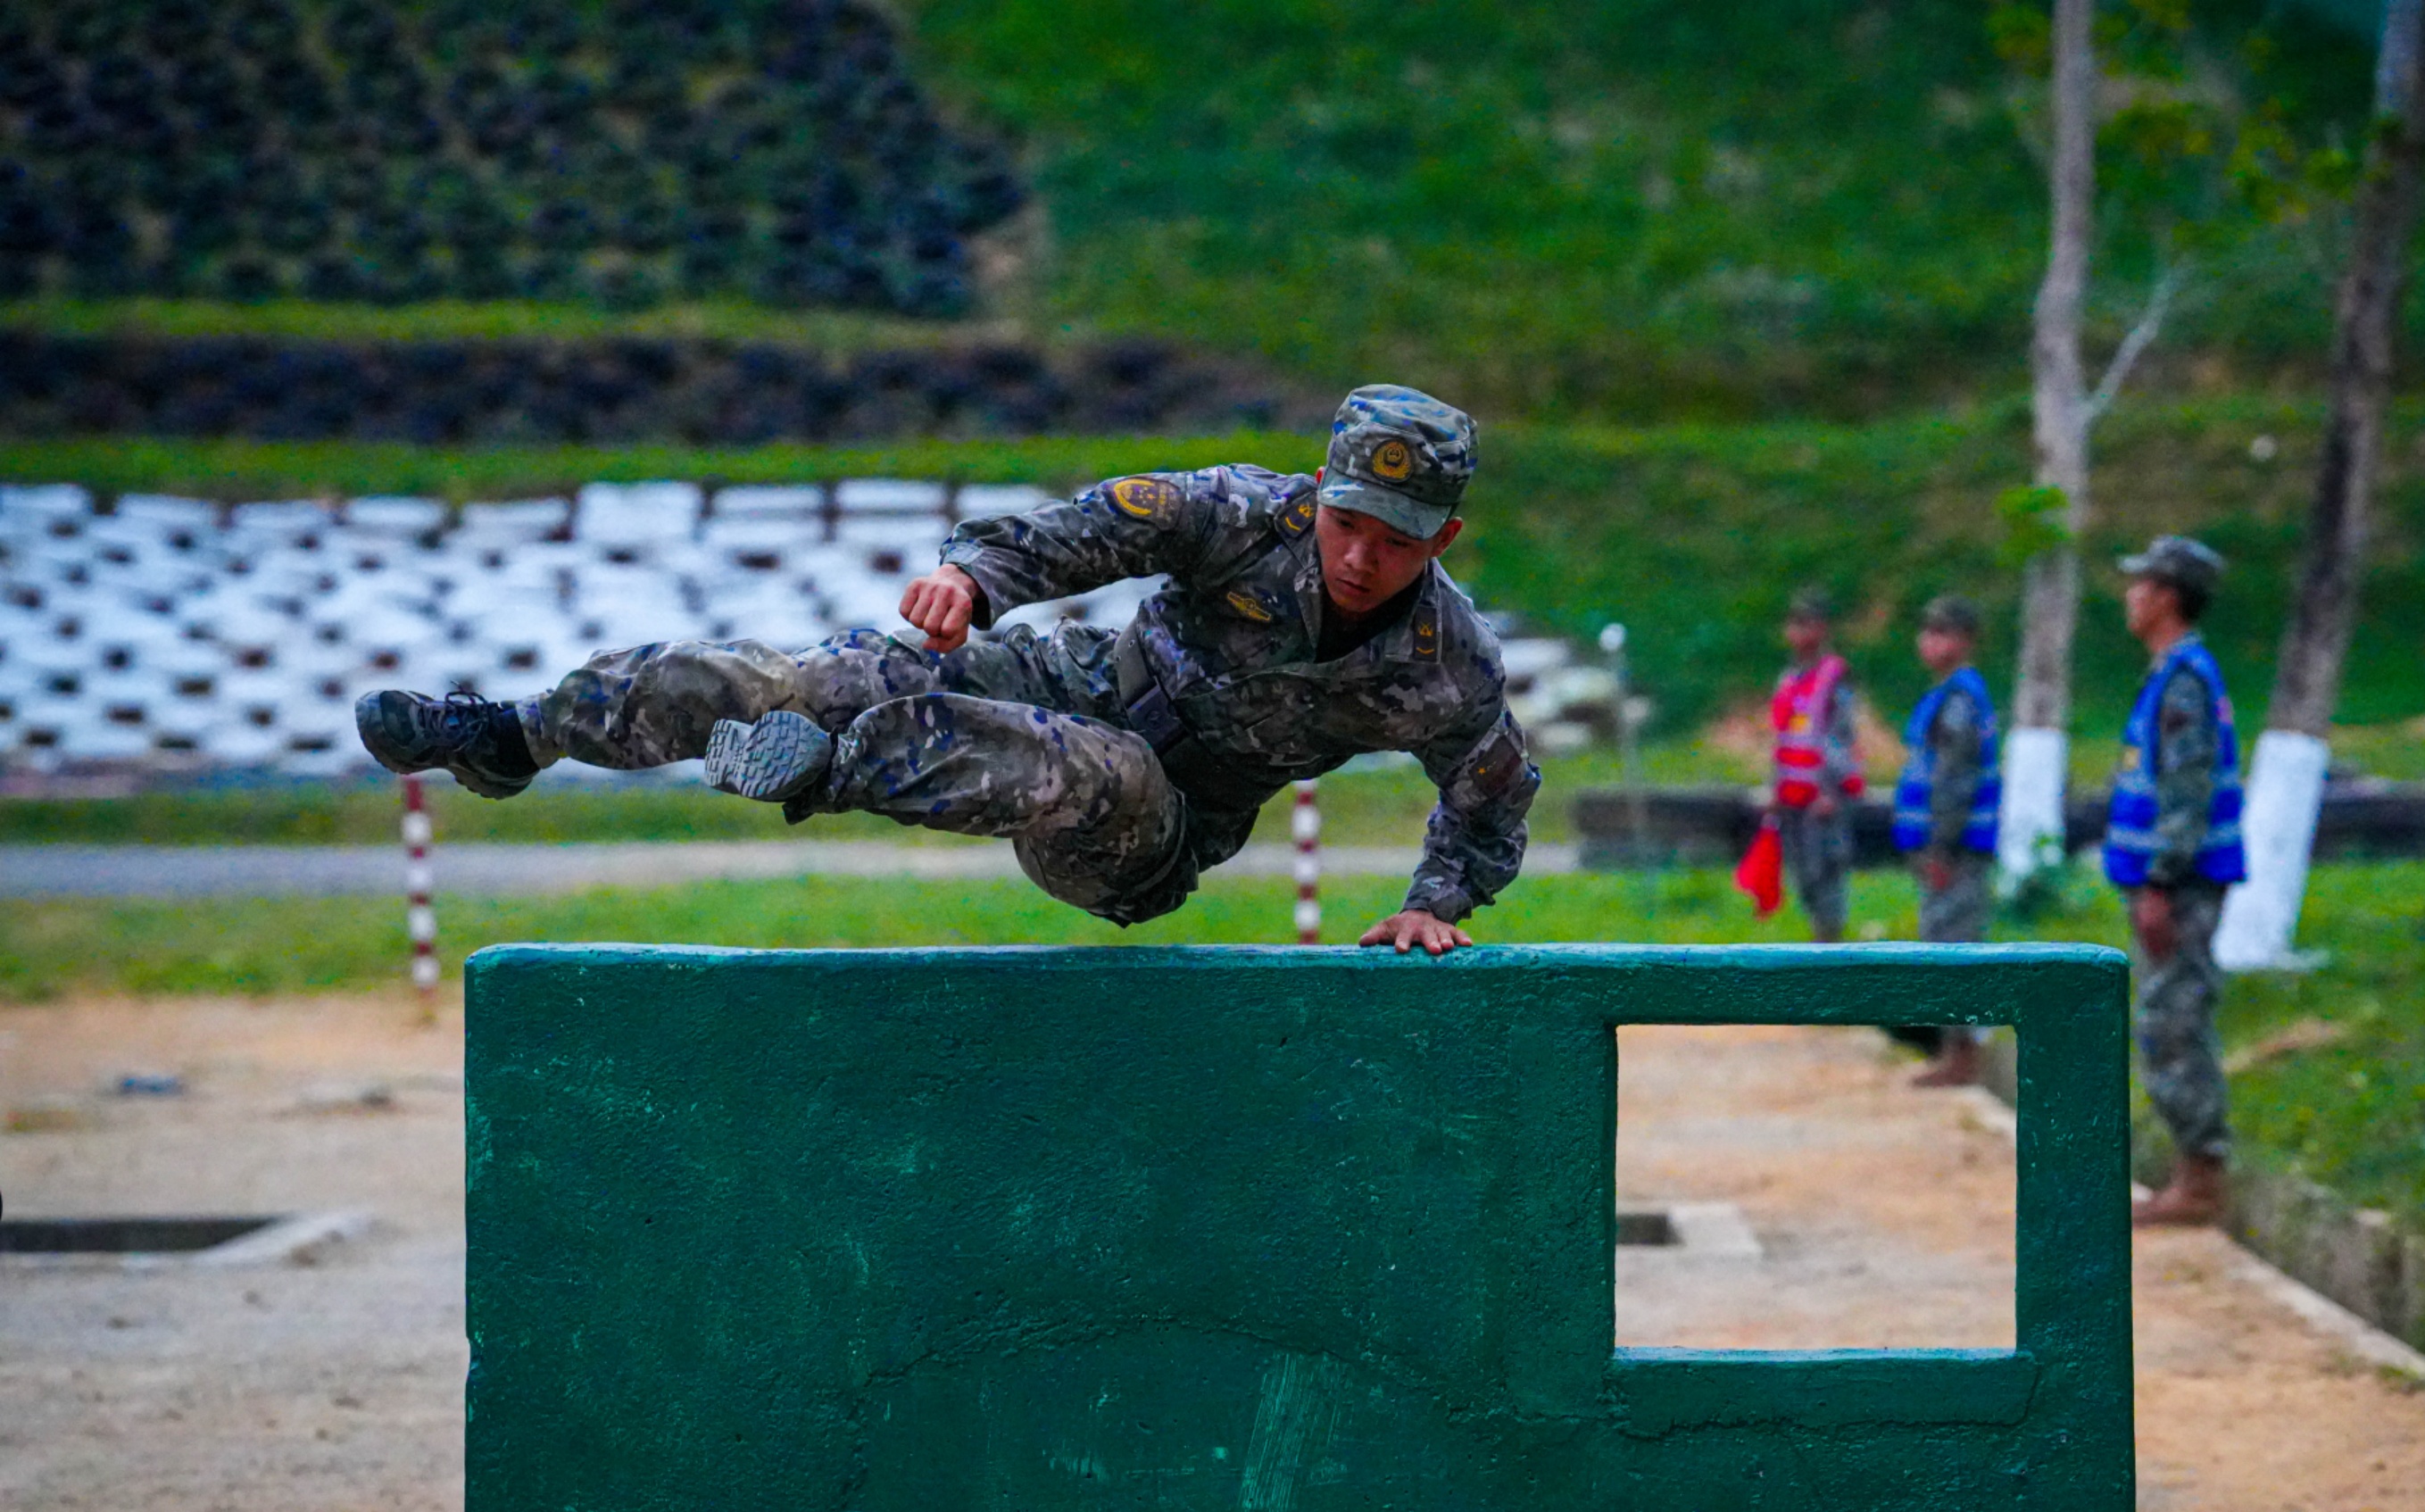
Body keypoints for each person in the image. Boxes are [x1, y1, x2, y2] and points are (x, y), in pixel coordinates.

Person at [353, 386, 1540, 956]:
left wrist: (1431, 907)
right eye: (1348, 523)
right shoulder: (1238, 511)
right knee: (819, 673)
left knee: (1103, 770)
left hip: (1153, 831)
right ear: (1319, 494)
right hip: (1060, 674)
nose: (1359, 555)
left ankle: (828, 770)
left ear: (1439, 540)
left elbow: (1491, 789)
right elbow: (1080, 531)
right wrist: (972, 577)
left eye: (1394, 540)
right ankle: (517, 735)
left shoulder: (1446, 663)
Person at [2103, 536, 2246, 1225]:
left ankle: (2201, 1178)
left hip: (2180, 886)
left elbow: (2185, 794)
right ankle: (2193, 1174)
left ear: (2166, 597)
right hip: (2168, 883)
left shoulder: (2184, 678)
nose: (2129, 596)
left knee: (2175, 1022)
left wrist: (2160, 881)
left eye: (2140, 585)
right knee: (2168, 1018)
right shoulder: (2170, 673)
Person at [1892, 595, 1999, 1087]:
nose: (1930, 642)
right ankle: (1954, 1052)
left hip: (1953, 852)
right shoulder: (1945, 696)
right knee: (1942, 942)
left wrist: (1940, 847)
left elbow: (1954, 783)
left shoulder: (1959, 701)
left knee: (1955, 949)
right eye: (1927, 631)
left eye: (1943, 633)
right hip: (1943, 849)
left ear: (1966, 642)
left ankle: (1964, 1058)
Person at [1759, 591, 1866, 942]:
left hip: (1824, 799)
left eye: (1807, 624)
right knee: (1803, 877)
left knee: (1827, 874)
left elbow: (1841, 737)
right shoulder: (1790, 677)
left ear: (1822, 630)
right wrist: (1775, 786)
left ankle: (1830, 947)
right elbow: (1783, 735)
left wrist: (1831, 790)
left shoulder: (1834, 678)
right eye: (1793, 624)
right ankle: (1817, 940)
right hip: (1792, 795)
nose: (1798, 633)